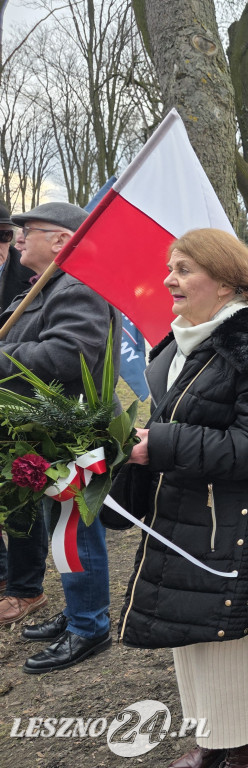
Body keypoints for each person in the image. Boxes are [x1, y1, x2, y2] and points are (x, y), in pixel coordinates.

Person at [119, 228, 248, 768]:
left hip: (231, 524)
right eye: (170, 266)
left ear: (224, 282)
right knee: (189, 633)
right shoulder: (186, 341)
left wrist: (162, 445)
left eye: (182, 268)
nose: (167, 279)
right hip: (188, 515)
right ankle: (213, 742)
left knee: (222, 641)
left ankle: (247, 755)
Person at [0, 202, 120, 678]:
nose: (19, 237)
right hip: (51, 431)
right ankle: (78, 612)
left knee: (76, 532)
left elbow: (69, 354)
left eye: (30, 230)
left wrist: (2, 357)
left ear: (62, 240)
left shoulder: (78, 287)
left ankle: (90, 626)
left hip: (73, 433)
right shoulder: (49, 287)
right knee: (62, 530)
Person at [0, 201, 33, 597]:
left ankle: (24, 584)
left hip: (17, 402)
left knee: (22, 490)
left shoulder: (31, 277)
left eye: (5, 236)